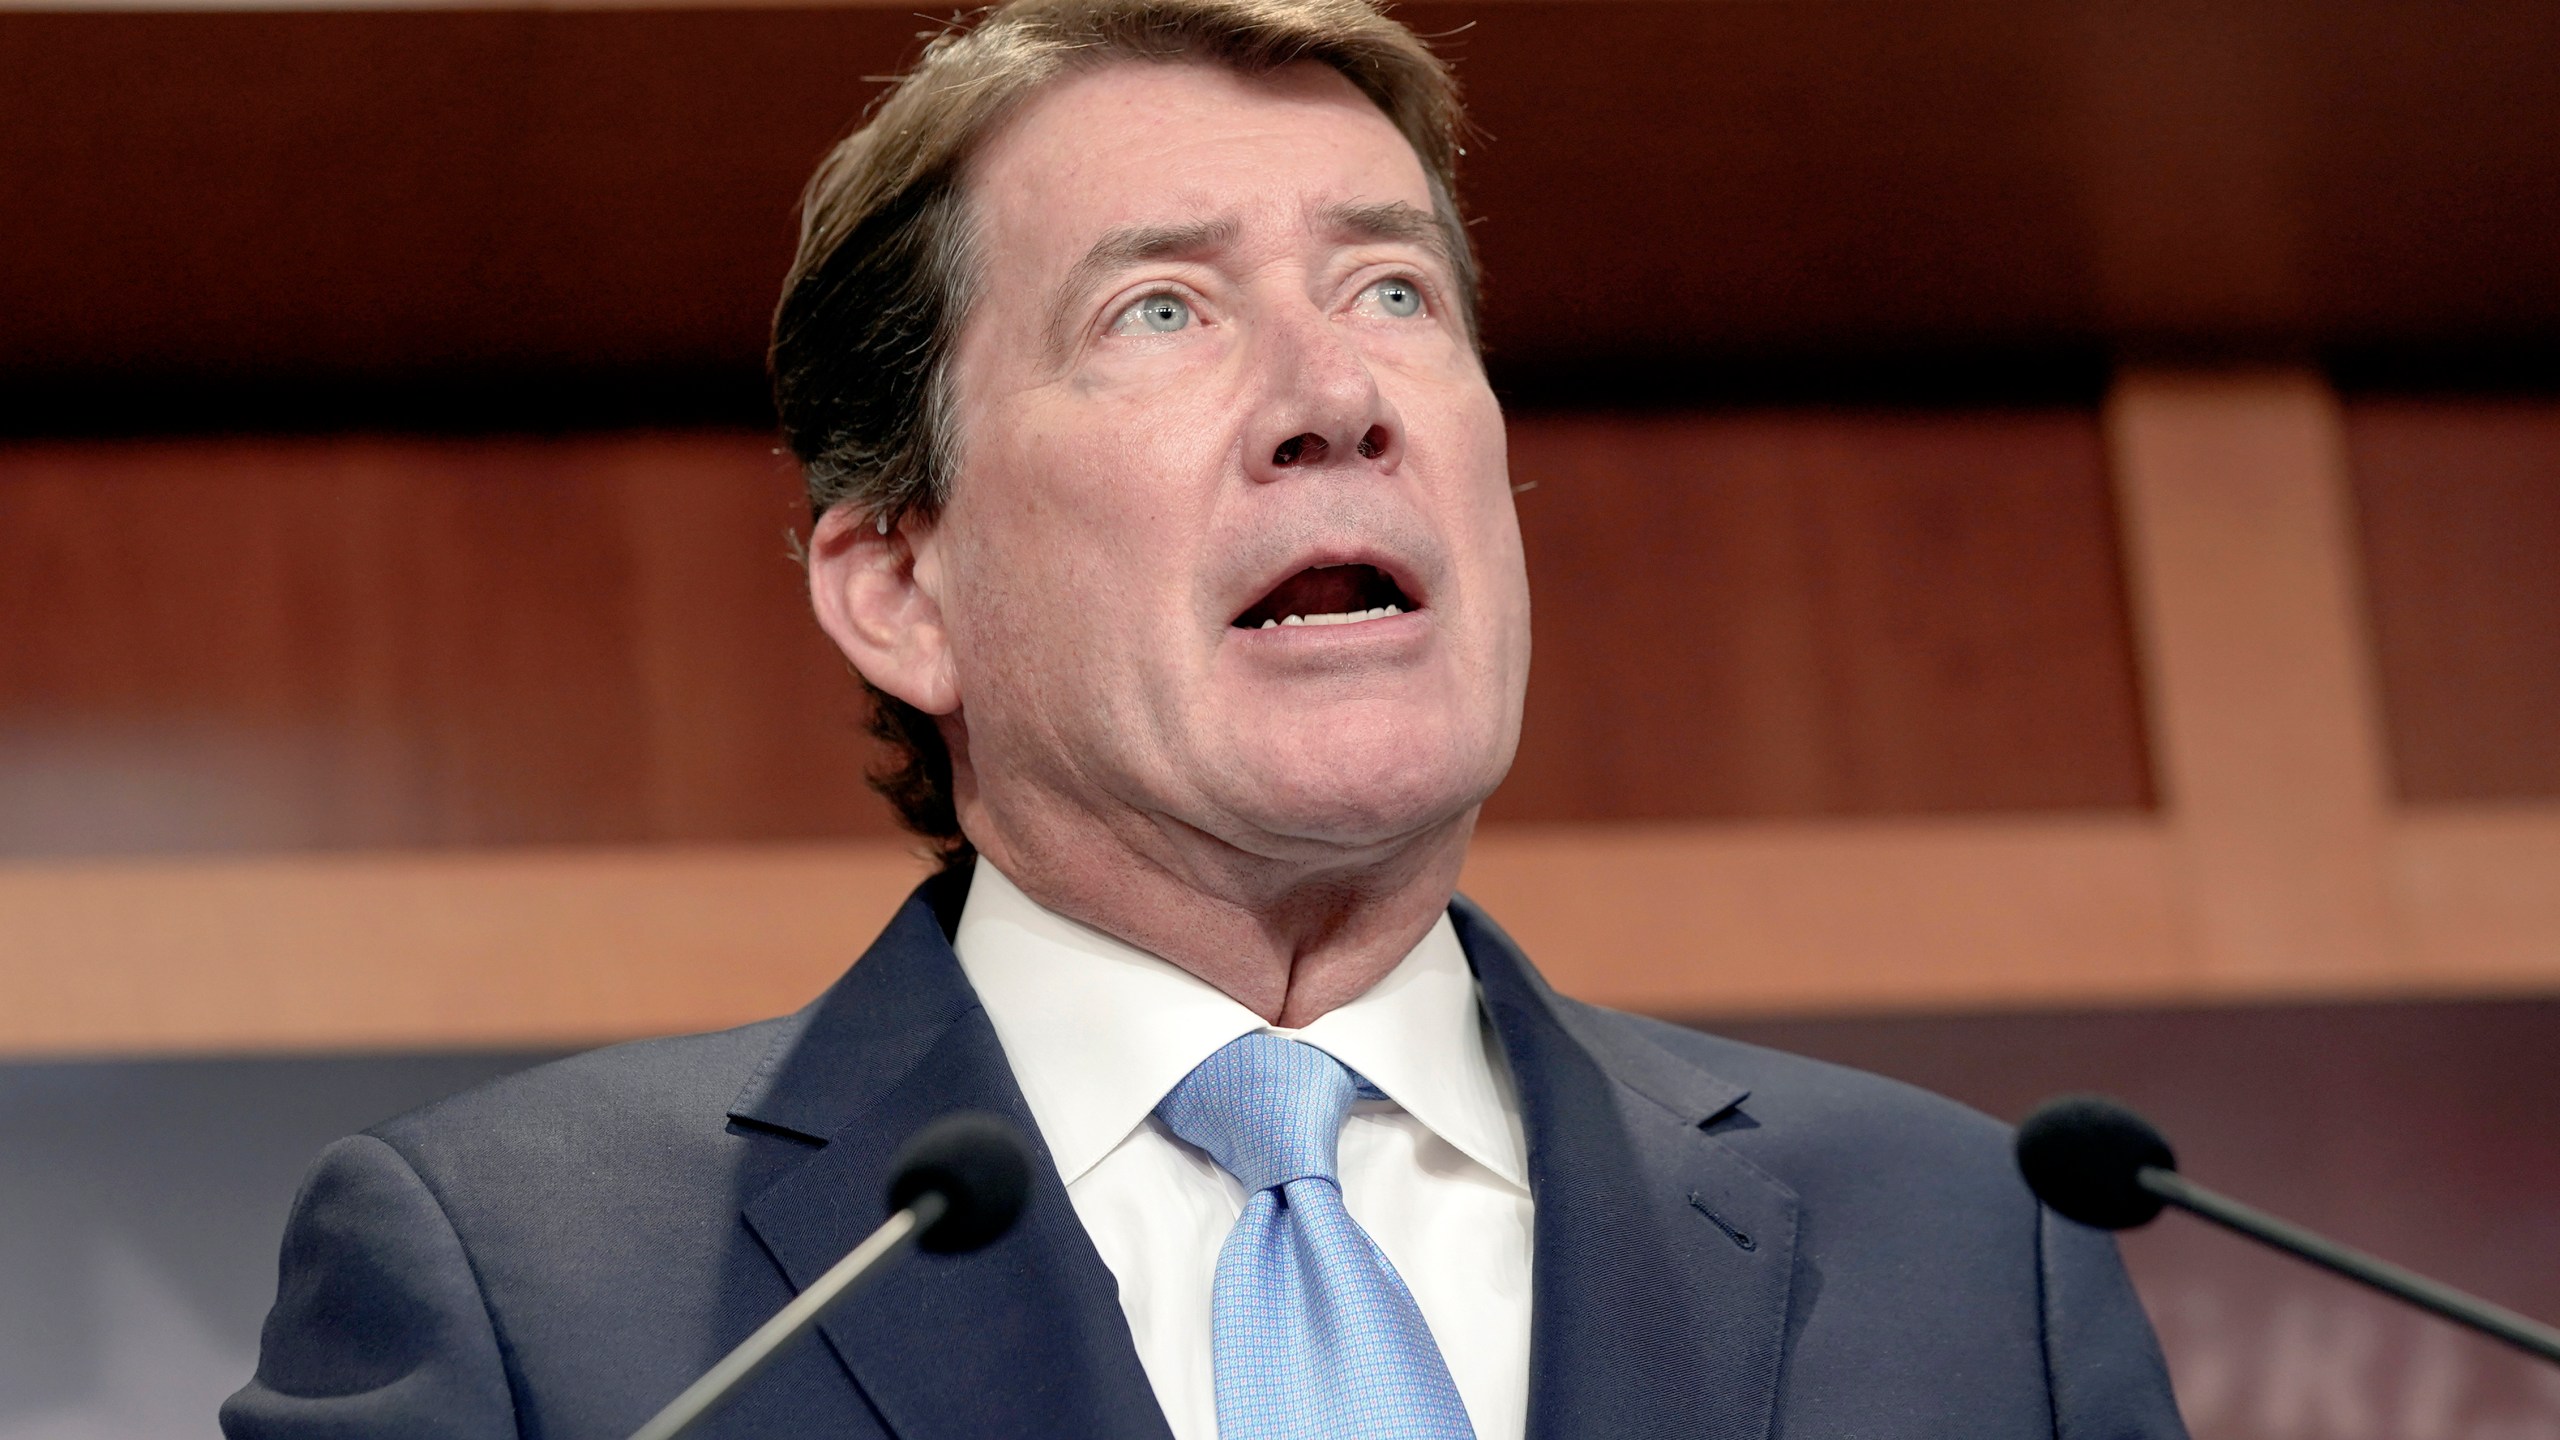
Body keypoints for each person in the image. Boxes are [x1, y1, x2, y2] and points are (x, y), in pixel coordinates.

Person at [223, 0, 2188, 1435]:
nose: (1337, 393)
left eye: (1397, 290)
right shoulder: (534, 1292)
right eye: (1157, 309)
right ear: (897, 586)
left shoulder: (1966, 1255)